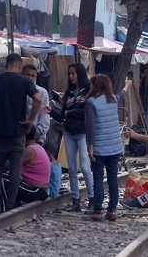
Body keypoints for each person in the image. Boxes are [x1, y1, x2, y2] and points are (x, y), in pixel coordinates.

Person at [0, 54, 42, 216]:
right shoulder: (25, 82)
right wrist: (30, 120)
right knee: (16, 170)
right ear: (18, 65)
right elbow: (38, 100)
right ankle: (10, 207)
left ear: (6, 65)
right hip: (18, 133)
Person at [85, 74, 124, 221]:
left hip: (99, 148)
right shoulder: (113, 99)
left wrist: (90, 146)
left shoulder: (91, 102)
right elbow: (122, 94)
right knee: (113, 178)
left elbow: (90, 128)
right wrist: (127, 86)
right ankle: (112, 209)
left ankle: (97, 209)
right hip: (115, 147)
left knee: (98, 178)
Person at [62, 63, 94, 212]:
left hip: (83, 133)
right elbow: (63, 114)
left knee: (86, 168)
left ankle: (92, 198)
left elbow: (87, 112)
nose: (71, 76)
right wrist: (51, 112)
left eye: (73, 73)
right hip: (68, 132)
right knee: (72, 169)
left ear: (79, 74)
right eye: (69, 74)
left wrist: (71, 112)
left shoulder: (89, 90)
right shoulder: (68, 93)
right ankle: (76, 200)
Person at [2, 127, 50, 207]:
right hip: (40, 190)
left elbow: (11, 165)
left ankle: (7, 207)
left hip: (36, 190)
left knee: (2, 179)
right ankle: (14, 203)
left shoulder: (29, 150)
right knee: (12, 177)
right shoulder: (38, 147)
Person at [22, 64, 50, 145]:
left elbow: (45, 116)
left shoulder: (42, 92)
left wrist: (37, 133)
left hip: (35, 137)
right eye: (28, 75)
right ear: (22, 75)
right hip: (18, 137)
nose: (30, 78)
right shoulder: (17, 90)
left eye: (33, 76)